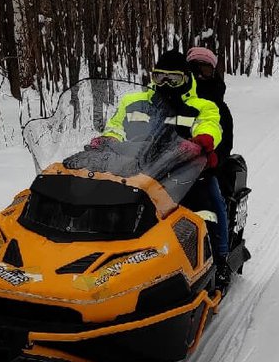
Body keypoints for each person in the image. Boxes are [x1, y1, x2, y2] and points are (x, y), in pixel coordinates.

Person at [94, 49, 233, 289]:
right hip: (139, 171)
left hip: (186, 174)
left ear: (185, 78)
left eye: (173, 78)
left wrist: (204, 141)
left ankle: (221, 261)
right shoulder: (133, 102)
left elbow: (211, 125)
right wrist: (107, 140)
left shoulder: (203, 106)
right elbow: (115, 126)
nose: (166, 84)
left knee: (209, 206)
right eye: (160, 77)